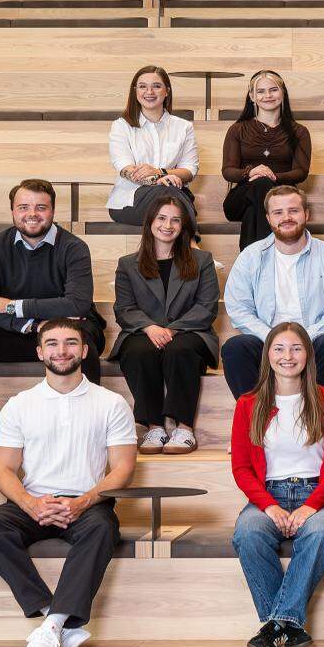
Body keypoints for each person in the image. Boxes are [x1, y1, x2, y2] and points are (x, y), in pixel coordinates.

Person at [0, 318, 138, 647]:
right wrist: (30, 503)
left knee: (102, 528)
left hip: (87, 500)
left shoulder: (110, 403)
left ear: (85, 349)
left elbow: (123, 468)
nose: (61, 350)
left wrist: (85, 501)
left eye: (70, 342)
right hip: (33, 499)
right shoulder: (19, 404)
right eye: (52, 343)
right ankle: (57, 620)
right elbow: (2, 469)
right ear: (39, 351)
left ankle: (53, 623)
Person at [230, 322, 324, 647]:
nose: (288, 356)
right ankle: (290, 624)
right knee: (248, 532)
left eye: (296, 348)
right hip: (268, 497)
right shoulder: (248, 404)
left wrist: (310, 506)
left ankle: (274, 625)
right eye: (279, 348)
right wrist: (269, 506)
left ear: (308, 355)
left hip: (318, 498)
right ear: (268, 355)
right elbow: (241, 467)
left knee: (323, 531)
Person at [0, 178, 105, 409]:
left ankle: (90, 418)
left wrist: (10, 306)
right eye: (23, 207)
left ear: (52, 210)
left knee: (79, 337)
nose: (31, 214)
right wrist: (33, 326)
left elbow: (76, 305)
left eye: (40, 207)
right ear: (13, 211)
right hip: (16, 333)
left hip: (66, 330)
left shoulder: (74, 247)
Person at [222, 185, 324, 396]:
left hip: (315, 339)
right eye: (278, 212)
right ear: (268, 218)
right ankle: (258, 421)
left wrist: (301, 340)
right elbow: (239, 309)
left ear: (306, 214)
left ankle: (318, 421)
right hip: (266, 339)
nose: (286, 217)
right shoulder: (250, 256)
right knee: (234, 348)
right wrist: (275, 342)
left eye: (293, 210)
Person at [110, 195, 219, 455]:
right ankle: (155, 427)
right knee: (138, 351)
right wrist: (149, 327)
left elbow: (207, 307)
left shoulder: (202, 260)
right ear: (150, 222)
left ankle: (184, 429)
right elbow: (123, 309)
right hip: (143, 331)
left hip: (190, 331)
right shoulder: (128, 264)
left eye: (175, 220)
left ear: (183, 226)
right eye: (161, 218)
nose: (167, 225)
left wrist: (172, 329)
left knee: (179, 349)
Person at [221, 70, 312, 249]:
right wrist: (251, 172)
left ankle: (250, 262)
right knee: (260, 185)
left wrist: (272, 177)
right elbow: (228, 171)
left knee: (253, 212)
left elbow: (301, 172)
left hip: (284, 200)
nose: (267, 96)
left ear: (283, 93)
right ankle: (275, 254)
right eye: (261, 91)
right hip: (240, 199)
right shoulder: (237, 129)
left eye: (273, 90)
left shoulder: (299, 131)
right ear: (252, 96)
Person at [106, 64, 199, 228]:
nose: (149, 92)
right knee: (171, 193)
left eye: (156, 86)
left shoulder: (183, 127)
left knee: (171, 196)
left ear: (167, 91)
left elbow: (189, 170)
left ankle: (190, 248)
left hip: (173, 197)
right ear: (135, 91)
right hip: (129, 202)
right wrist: (161, 180)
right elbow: (126, 170)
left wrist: (160, 172)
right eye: (143, 87)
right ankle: (194, 247)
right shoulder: (121, 126)